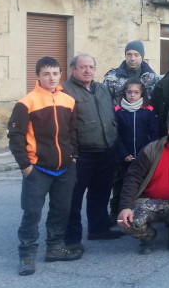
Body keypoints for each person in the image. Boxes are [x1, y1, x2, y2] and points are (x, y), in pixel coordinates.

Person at [9, 57, 79, 275]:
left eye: (55, 73)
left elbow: (73, 132)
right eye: (46, 74)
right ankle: (27, 255)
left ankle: (55, 248)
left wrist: (73, 156)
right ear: (38, 75)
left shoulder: (68, 100)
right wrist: (25, 166)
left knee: (61, 210)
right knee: (32, 213)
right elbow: (15, 136)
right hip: (37, 168)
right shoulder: (25, 103)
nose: (51, 78)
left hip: (65, 167)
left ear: (60, 75)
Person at [116, 114, 169, 254]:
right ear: (168, 129)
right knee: (124, 222)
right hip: (150, 201)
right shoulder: (152, 149)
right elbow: (133, 177)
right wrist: (125, 206)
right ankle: (148, 237)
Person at [61, 55, 121, 255]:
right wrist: (72, 152)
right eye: (83, 67)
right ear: (72, 69)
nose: (87, 70)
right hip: (81, 154)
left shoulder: (102, 89)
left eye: (91, 67)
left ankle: (99, 228)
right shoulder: (65, 91)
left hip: (105, 150)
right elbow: (64, 127)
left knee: (101, 192)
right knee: (74, 198)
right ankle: (71, 239)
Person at [110, 79, 159, 220]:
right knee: (121, 186)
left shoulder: (148, 111)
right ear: (124, 93)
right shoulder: (118, 111)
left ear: (142, 94)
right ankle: (117, 214)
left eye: (136, 92)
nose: (132, 95)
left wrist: (147, 153)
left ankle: (140, 215)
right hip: (124, 157)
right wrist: (123, 153)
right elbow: (115, 135)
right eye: (129, 92)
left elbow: (154, 134)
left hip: (144, 156)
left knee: (143, 185)